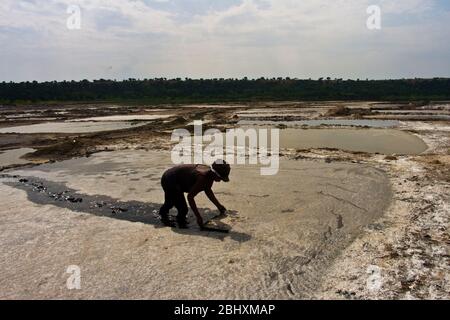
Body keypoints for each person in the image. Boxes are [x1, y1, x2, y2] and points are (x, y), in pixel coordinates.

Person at [159, 160, 231, 228]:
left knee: (170, 201)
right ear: (214, 173)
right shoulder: (202, 178)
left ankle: (163, 213)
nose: (220, 180)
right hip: (170, 179)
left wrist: (219, 206)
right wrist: (198, 217)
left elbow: (208, 190)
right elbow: (190, 197)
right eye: (220, 178)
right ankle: (176, 221)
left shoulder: (210, 175)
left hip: (176, 178)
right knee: (183, 209)